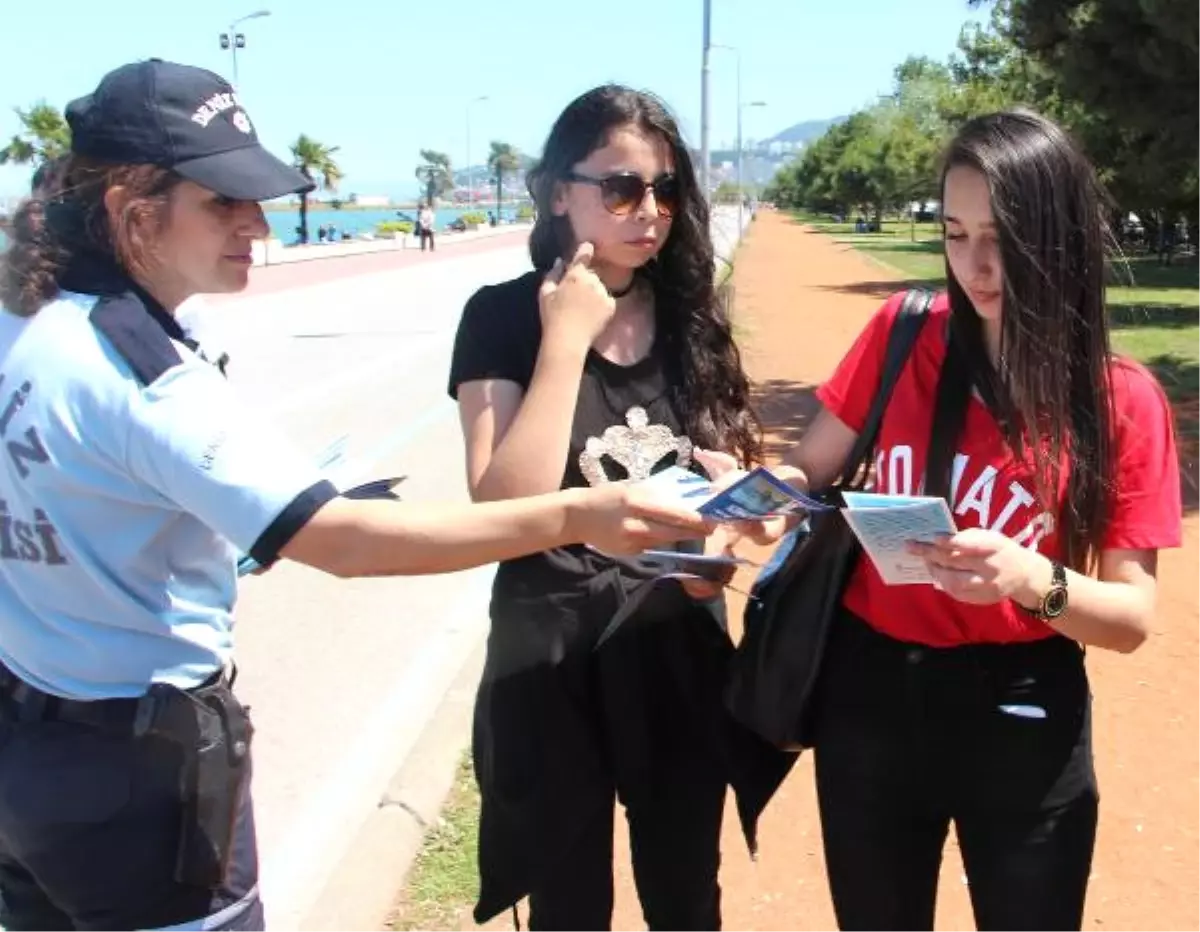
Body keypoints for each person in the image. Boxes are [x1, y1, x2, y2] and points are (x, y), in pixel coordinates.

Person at [0, 59, 714, 932]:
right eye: (221, 201)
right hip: (142, 774)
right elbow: (345, 542)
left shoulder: (26, 322)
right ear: (129, 210)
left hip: (31, 743)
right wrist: (578, 514)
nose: (256, 225)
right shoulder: (143, 376)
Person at [708, 110, 1183, 931]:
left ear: (1059, 234)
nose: (977, 265)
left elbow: (1133, 617)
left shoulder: (1120, 400)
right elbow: (811, 465)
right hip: (870, 697)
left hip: (1024, 710)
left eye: (1002, 236)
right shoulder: (900, 334)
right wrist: (758, 497)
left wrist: (1033, 581)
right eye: (955, 233)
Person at [448, 84, 770, 931]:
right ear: (560, 192)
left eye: (665, 190)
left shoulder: (693, 321)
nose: (650, 212)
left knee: (685, 899)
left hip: (674, 648)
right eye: (622, 188)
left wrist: (727, 517)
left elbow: (730, 486)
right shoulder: (500, 318)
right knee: (567, 909)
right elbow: (502, 503)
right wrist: (564, 339)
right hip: (550, 659)